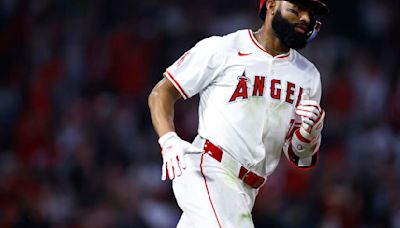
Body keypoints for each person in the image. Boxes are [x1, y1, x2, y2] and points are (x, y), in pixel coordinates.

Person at [148, 0, 328, 227]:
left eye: (310, 13)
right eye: (297, 8)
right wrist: (169, 139)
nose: (305, 18)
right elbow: (161, 93)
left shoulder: (308, 76)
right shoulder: (224, 48)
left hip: (247, 191)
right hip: (208, 169)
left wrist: (310, 133)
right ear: (271, 5)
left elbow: (300, 157)